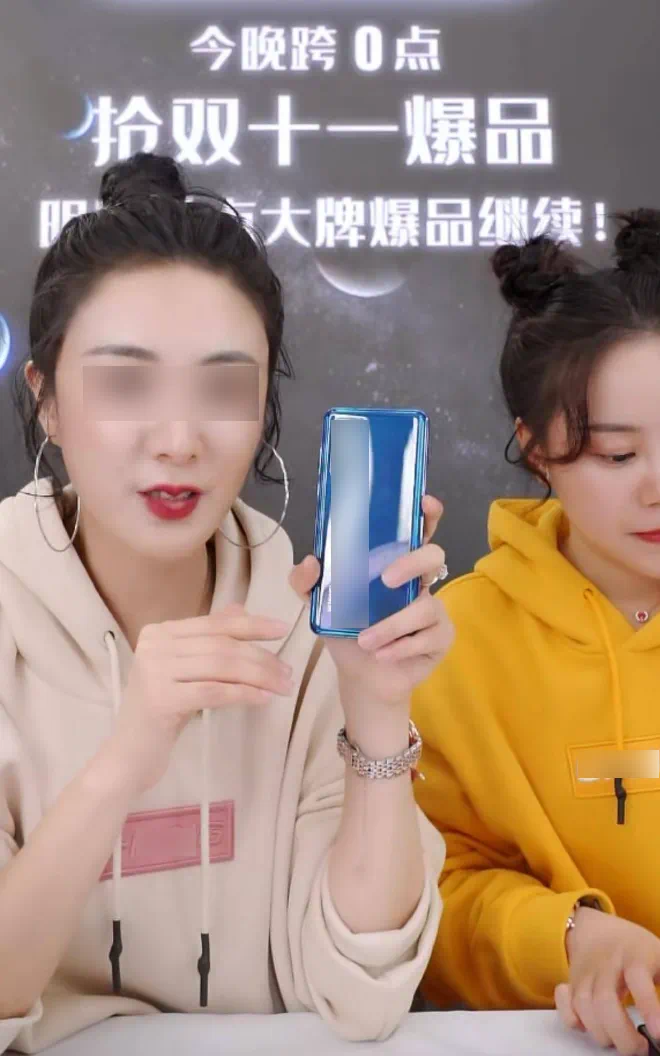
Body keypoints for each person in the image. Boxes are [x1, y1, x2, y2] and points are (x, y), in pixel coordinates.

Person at [0, 152, 452, 1054]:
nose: (179, 439)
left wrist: (375, 711)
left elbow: (362, 997)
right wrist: (127, 759)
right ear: (45, 399)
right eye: (125, 383)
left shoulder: (307, 622)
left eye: (223, 388)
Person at [413, 210, 660, 1056]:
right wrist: (569, 936)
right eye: (617, 456)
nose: (657, 487)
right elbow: (433, 894)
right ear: (536, 449)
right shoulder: (455, 643)